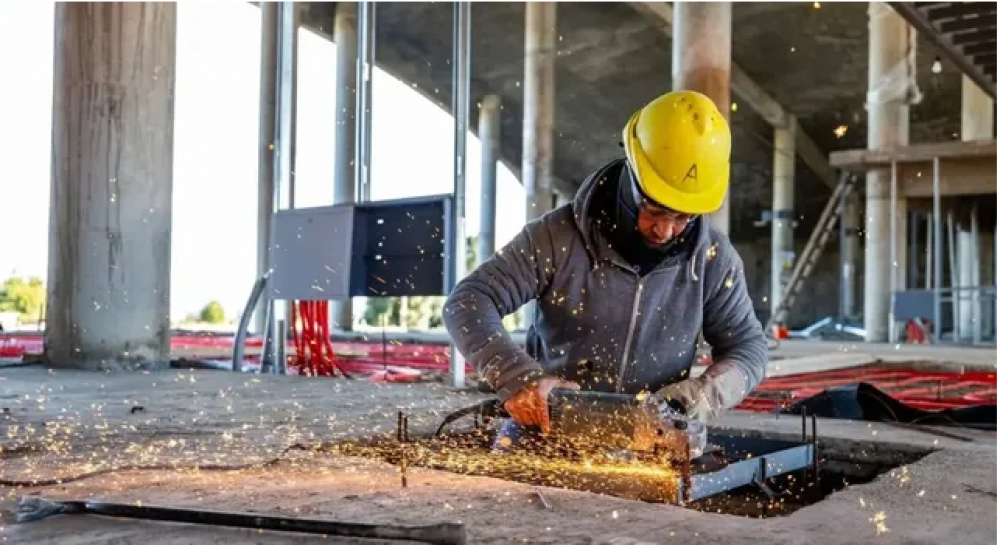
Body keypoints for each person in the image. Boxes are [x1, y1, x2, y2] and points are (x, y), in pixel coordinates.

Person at [443, 90, 768, 447]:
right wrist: (518, 378)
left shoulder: (713, 260)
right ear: (632, 175)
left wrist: (705, 394)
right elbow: (469, 301)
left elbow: (749, 348)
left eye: (683, 217)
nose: (666, 230)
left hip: (655, 443)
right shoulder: (557, 237)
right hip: (550, 434)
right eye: (655, 210)